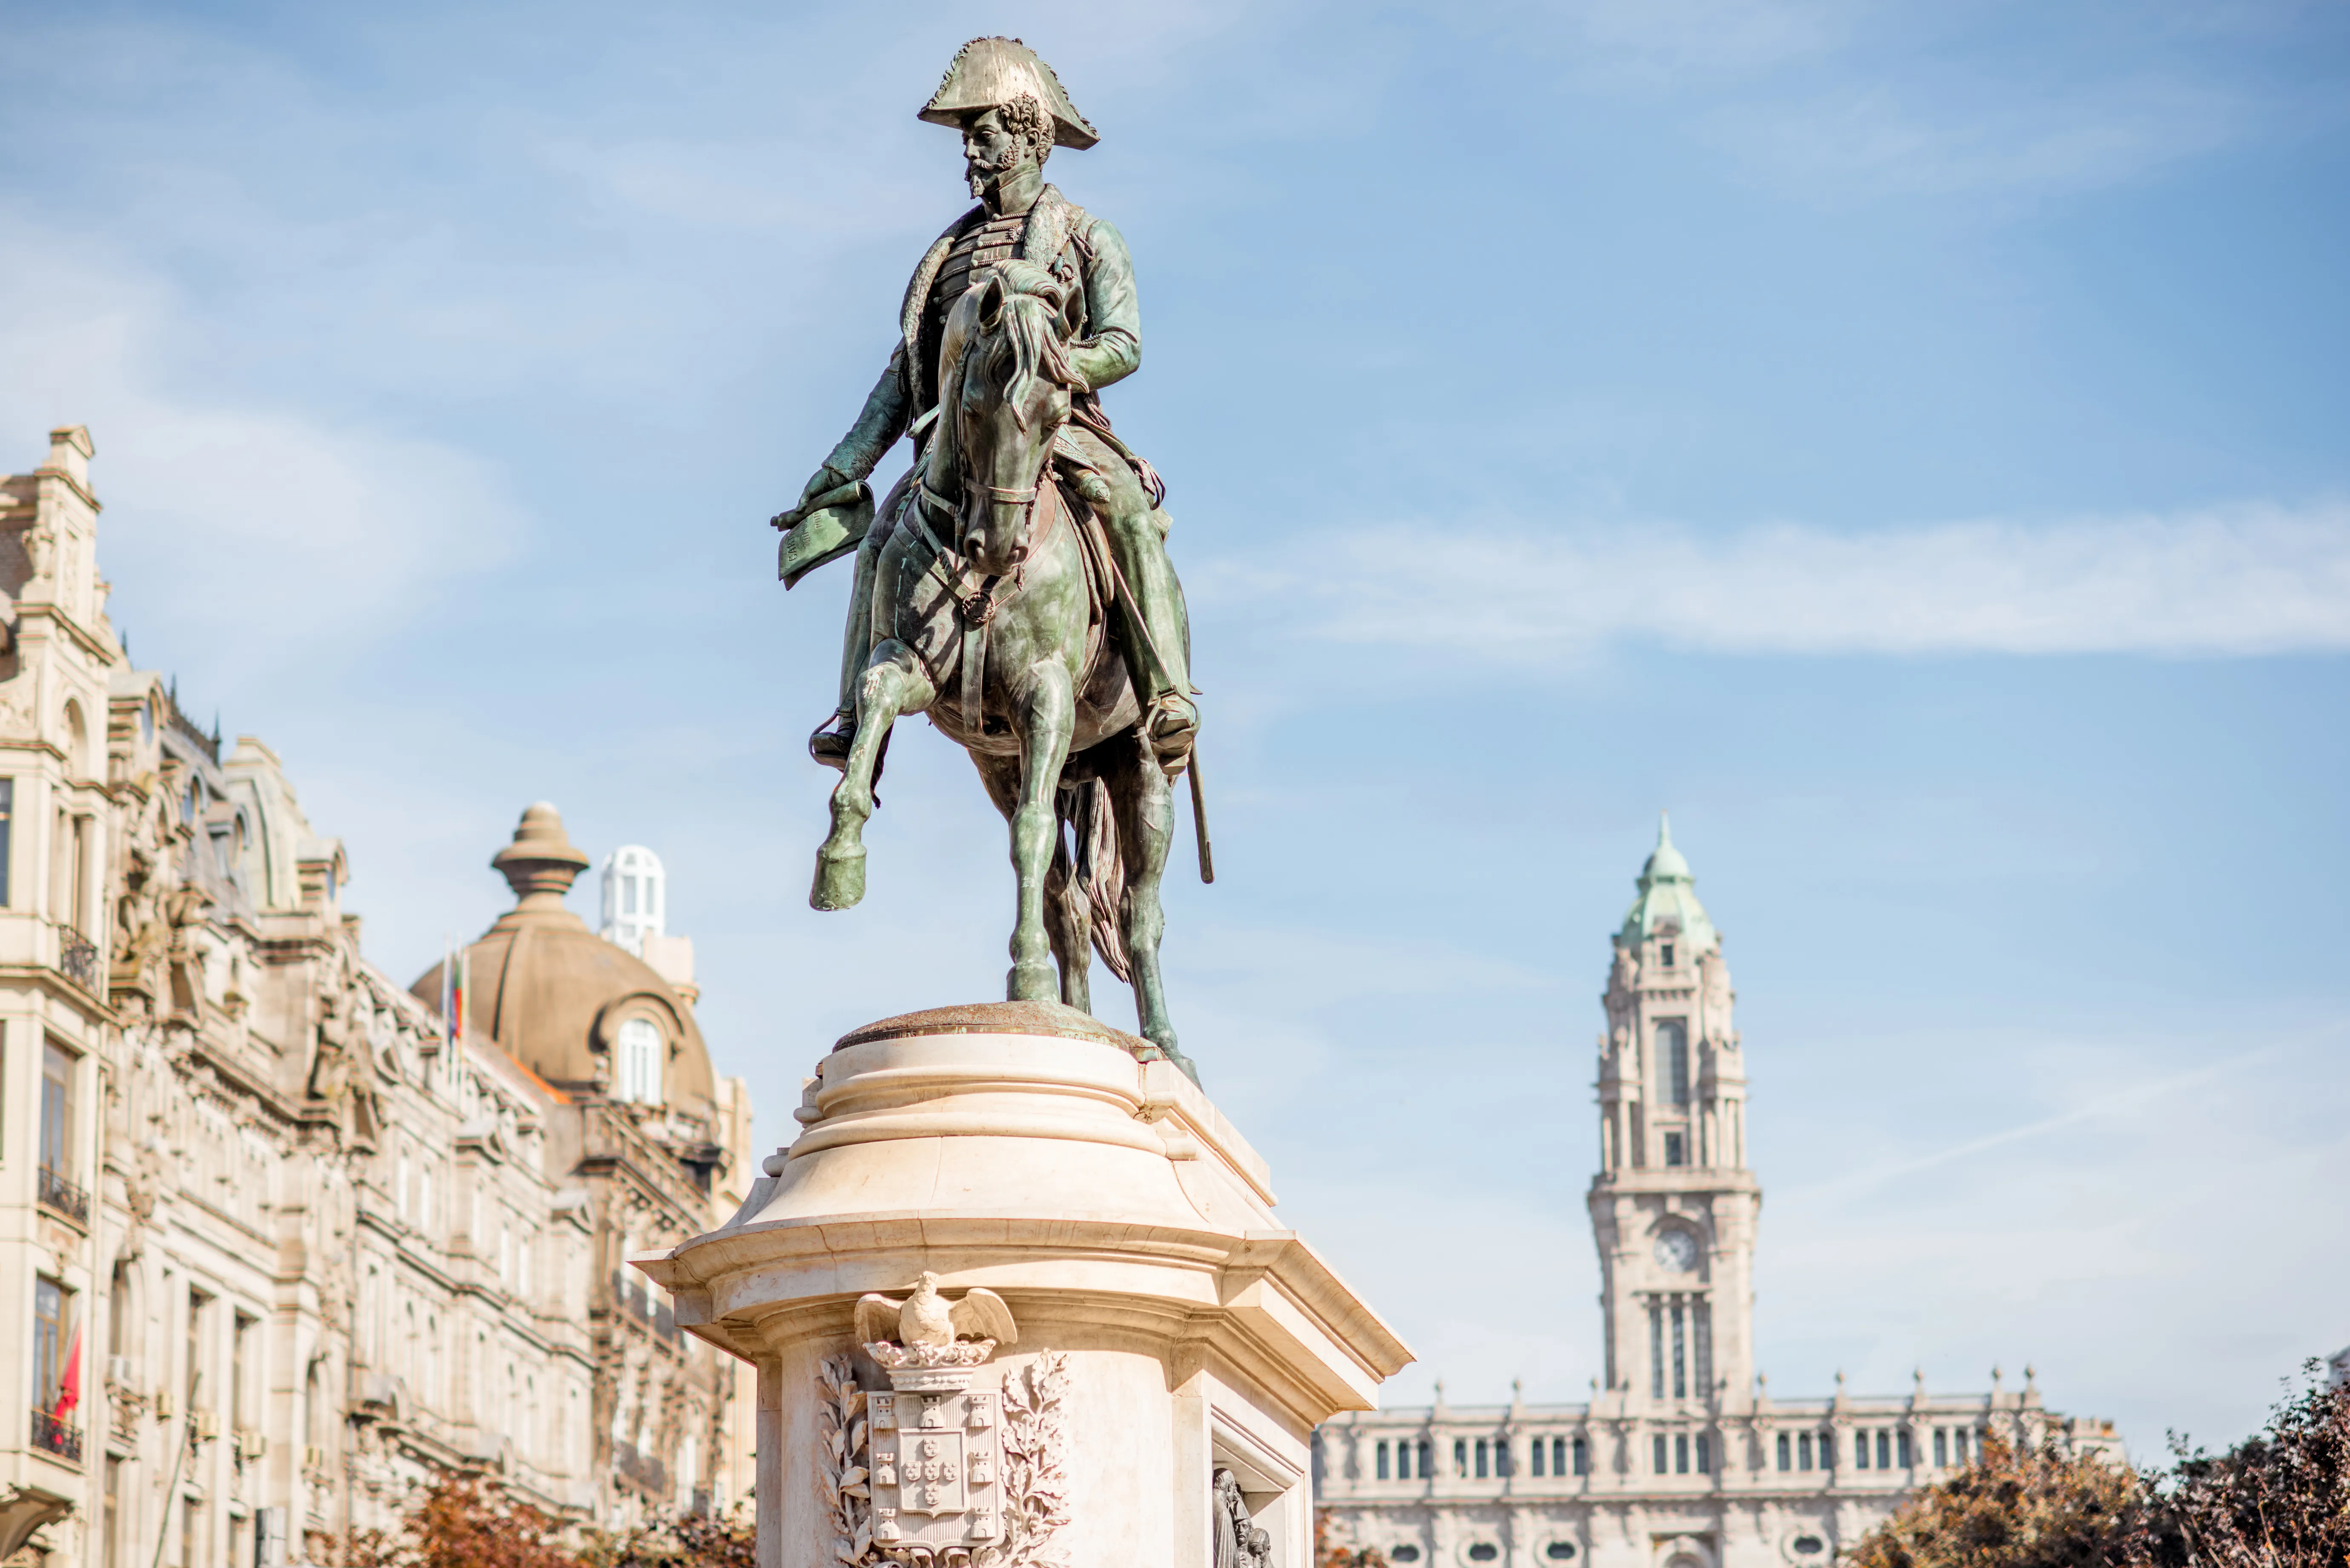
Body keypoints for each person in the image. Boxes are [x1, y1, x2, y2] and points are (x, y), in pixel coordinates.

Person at [773, 37, 1199, 769]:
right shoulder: (947, 256)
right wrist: (840, 468)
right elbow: (907, 379)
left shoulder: (1088, 237)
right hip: (955, 440)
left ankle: (1167, 694)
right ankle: (852, 714)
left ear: (1028, 133)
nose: (968, 153)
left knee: (1124, 504)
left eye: (983, 135)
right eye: (968, 138)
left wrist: (1056, 366)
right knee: (880, 541)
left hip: (1049, 426)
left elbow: (1124, 344)